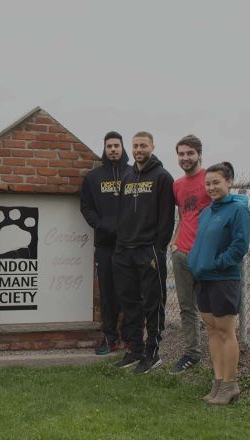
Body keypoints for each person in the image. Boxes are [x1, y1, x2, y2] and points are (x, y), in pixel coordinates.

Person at [188, 162, 250, 404]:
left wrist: (216, 264)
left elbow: (239, 246)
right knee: (212, 330)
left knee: (225, 331)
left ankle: (230, 385)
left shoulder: (238, 210)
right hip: (203, 278)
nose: (211, 187)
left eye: (216, 182)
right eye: (208, 183)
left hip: (223, 278)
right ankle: (218, 382)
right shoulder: (207, 212)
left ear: (229, 182)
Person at [113, 131, 175, 374]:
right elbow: (121, 212)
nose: (139, 149)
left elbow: (167, 218)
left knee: (153, 303)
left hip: (148, 250)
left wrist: (157, 248)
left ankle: (152, 353)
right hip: (124, 250)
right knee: (129, 303)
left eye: (143, 145)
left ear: (152, 146)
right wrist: (120, 243)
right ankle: (135, 349)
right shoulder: (127, 175)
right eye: (135, 145)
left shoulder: (162, 177)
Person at [80, 131, 130, 355]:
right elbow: (86, 207)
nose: (113, 149)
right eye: (109, 146)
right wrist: (100, 225)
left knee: (130, 292)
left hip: (130, 244)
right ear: (104, 148)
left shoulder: (133, 174)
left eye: (116, 146)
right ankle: (110, 337)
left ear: (122, 147)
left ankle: (130, 338)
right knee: (108, 294)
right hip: (106, 245)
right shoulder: (93, 177)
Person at [169, 135, 211, 374]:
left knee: (211, 308)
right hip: (181, 253)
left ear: (199, 154)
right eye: (181, 154)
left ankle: (219, 353)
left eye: (190, 153)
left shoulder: (210, 179)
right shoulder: (177, 185)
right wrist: (175, 243)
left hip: (205, 254)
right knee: (187, 307)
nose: (185, 158)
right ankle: (192, 353)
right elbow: (184, 215)